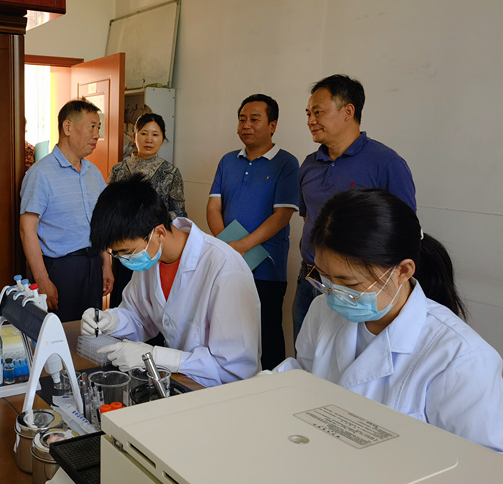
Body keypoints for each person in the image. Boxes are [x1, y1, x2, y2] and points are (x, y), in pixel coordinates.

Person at [276, 188, 503, 451]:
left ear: (403, 270)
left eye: (350, 283)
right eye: (325, 277)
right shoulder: (322, 310)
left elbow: (485, 463)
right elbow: (304, 380)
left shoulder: (462, 358)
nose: (334, 292)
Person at [81, 177, 261, 387]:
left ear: (159, 232)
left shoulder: (225, 268)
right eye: (117, 254)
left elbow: (234, 370)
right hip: (179, 382)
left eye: (127, 252)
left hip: (222, 392)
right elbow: (140, 317)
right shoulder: (151, 257)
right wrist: (111, 320)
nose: (124, 260)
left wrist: (158, 357)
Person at [293, 74, 416, 341]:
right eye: (308, 113)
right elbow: (309, 220)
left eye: (318, 112)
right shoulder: (309, 165)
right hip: (310, 278)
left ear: (348, 111)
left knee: (352, 358)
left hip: (357, 290)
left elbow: (403, 234)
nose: (310, 120)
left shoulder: (385, 163)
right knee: (306, 353)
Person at [207, 94, 299, 369]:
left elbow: (282, 215)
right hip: (228, 262)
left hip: (267, 268)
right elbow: (214, 207)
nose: (246, 125)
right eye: (242, 119)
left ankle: (272, 386)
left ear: (273, 125)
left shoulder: (286, 163)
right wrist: (226, 246)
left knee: (267, 333)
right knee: (227, 330)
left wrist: (242, 246)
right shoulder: (227, 161)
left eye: (254, 119)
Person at [20, 99, 114, 322]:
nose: (97, 135)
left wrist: (107, 263)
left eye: (98, 128)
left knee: (90, 330)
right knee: (60, 334)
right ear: (68, 127)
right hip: (61, 269)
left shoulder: (94, 173)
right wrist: (42, 280)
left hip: (93, 265)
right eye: (92, 127)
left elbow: (101, 223)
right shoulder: (40, 173)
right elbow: (27, 230)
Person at [108, 112, 186, 307]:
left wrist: (149, 225)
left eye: (155, 134)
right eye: (144, 133)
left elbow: (179, 213)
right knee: (124, 301)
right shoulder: (118, 170)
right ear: (134, 136)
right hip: (126, 248)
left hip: (155, 249)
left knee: (153, 303)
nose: (149, 139)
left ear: (163, 138)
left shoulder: (171, 172)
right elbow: (109, 210)